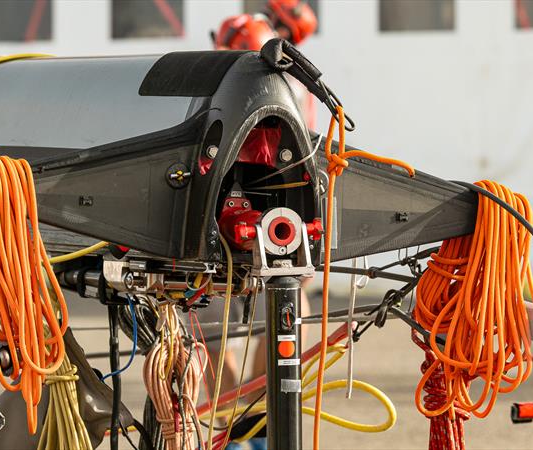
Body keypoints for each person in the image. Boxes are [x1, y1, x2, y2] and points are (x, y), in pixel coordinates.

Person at [203, 3, 318, 449]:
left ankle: (238, 430)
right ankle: (254, 428)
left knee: (217, 331)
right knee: (284, 322)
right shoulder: (296, 75)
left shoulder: (248, 38)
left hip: (236, 202)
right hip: (286, 206)